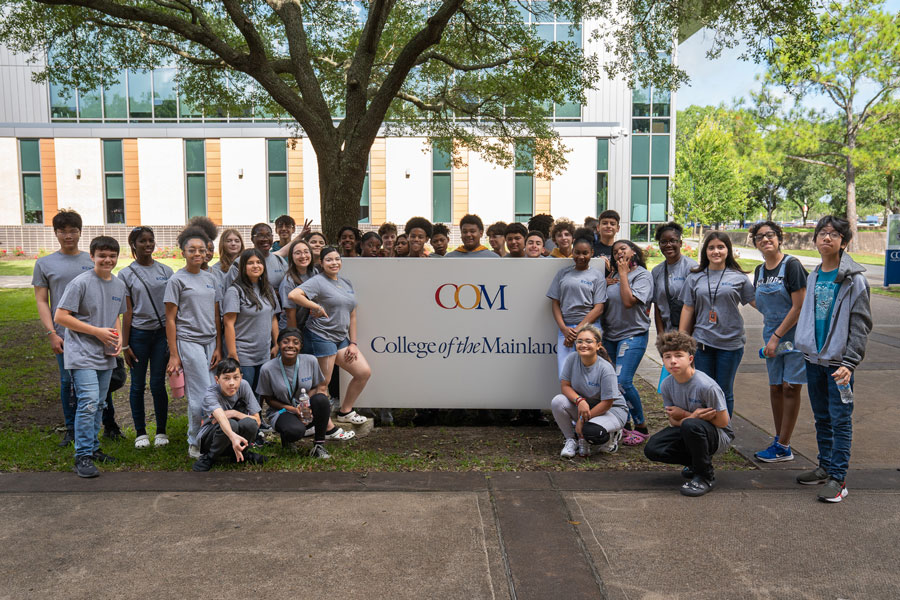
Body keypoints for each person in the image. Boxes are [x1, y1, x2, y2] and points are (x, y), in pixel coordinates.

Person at [794, 216, 872, 503]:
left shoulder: (855, 279)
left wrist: (850, 363)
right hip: (814, 360)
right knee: (821, 418)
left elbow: (861, 324)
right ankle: (825, 466)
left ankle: (838, 478)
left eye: (834, 234)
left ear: (844, 242)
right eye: (822, 233)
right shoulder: (813, 274)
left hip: (840, 365)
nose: (827, 238)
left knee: (840, 420)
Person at [33, 209, 121, 446]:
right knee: (68, 383)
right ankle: (72, 429)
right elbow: (42, 301)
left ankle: (108, 425)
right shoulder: (45, 263)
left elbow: (112, 299)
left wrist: (116, 335)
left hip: (101, 335)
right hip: (65, 334)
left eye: (73, 230)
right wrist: (51, 332)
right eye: (63, 231)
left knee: (102, 385)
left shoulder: (94, 258)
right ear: (56, 233)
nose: (68, 235)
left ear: (80, 232)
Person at [54, 236, 128, 478]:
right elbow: (61, 317)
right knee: (87, 401)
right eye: (102, 255)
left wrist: (117, 341)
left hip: (104, 355)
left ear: (117, 257)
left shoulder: (118, 285)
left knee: (99, 403)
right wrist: (96, 331)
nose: (107, 260)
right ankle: (82, 456)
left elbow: (116, 316)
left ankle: (93, 448)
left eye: (112, 256)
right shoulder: (80, 283)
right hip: (81, 353)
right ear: (92, 256)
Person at [288, 247, 371, 427]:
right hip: (321, 336)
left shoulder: (345, 282)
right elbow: (294, 295)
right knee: (322, 385)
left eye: (337, 259)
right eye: (329, 260)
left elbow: (353, 314)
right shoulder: (317, 281)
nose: (334, 263)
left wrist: (353, 343)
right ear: (321, 263)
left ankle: (345, 411)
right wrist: (315, 307)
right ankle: (325, 426)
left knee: (363, 372)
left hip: (341, 339)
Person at [644, 331, 734, 497]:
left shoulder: (706, 386)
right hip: (691, 428)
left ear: (690, 359)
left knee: (691, 425)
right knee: (653, 448)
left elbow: (723, 422)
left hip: (718, 436)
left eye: (679, 356)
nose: (673, 361)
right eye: (667, 356)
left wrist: (685, 416)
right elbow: (673, 421)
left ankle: (705, 476)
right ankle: (696, 462)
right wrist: (692, 416)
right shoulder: (667, 385)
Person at [678, 232, 755, 416]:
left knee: (724, 390)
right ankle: (708, 431)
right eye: (711, 247)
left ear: (728, 250)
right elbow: (688, 309)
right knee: (705, 389)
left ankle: (724, 431)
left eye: (721, 247)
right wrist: (681, 339)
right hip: (703, 342)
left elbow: (756, 302)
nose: (716, 251)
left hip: (731, 343)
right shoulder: (695, 277)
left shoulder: (739, 277)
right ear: (706, 251)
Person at [749, 221, 808, 463]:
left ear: (779, 238)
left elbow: (799, 306)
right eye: (760, 237)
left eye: (770, 235)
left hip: (793, 337)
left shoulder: (792, 265)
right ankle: (778, 440)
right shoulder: (759, 271)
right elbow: (761, 304)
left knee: (790, 386)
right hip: (771, 335)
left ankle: (784, 444)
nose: (765, 240)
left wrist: (776, 337)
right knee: (775, 387)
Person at [165, 226, 223, 459]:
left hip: (210, 342)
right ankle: (195, 441)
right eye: (192, 250)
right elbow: (170, 319)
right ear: (183, 252)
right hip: (189, 342)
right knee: (200, 396)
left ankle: (210, 436)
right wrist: (174, 354)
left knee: (214, 392)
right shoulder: (177, 280)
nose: (197, 253)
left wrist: (218, 346)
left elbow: (216, 314)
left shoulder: (211, 278)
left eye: (202, 250)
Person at [120, 226, 174, 449]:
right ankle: (140, 432)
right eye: (142, 241)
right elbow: (127, 312)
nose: (148, 244)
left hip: (162, 334)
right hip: (138, 336)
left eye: (151, 240)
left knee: (158, 384)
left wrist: (173, 340)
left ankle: (161, 431)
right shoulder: (125, 274)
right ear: (133, 244)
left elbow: (173, 310)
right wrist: (125, 345)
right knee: (137, 385)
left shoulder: (166, 271)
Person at [602, 240, 654, 445]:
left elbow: (628, 301)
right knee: (612, 383)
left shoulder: (642, 275)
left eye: (623, 248)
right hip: (610, 337)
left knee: (623, 381)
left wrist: (623, 275)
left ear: (634, 251)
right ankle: (624, 424)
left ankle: (641, 427)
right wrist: (606, 281)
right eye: (615, 251)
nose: (619, 253)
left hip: (633, 334)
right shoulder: (612, 276)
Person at [550, 325, 626, 458]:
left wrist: (582, 420)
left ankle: (613, 434)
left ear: (598, 345)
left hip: (611, 410)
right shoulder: (572, 359)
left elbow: (607, 403)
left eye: (588, 341)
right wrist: (579, 401)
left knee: (592, 431)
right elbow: (565, 386)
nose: (583, 345)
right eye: (579, 341)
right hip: (586, 407)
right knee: (558, 401)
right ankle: (571, 440)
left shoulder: (606, 369)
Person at [256, 328, 333, 458]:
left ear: (301, 346)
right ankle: (288, 440)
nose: (290, 345)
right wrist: (293, 409)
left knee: (322, 400)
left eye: (295, 342)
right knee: (295, 431)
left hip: (305, 408)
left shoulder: (311, 361)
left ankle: (319, 445)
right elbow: (268, 399)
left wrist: (305, 405)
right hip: (281, 411)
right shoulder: (267, 368)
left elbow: (316, 387)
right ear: (279, 344)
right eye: (285, 342)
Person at [191, 358, 267, 471]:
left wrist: (234, 413)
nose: (232, 383)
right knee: (230, 424)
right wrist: (233, 437)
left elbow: (257, 420)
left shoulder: (244, 386)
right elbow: (222, 419)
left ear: (241, 377)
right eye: (226, 378)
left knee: (250, 423)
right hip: (211, 439)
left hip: (235, 439)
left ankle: (241, 454)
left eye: (236, 377)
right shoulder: (210, 394)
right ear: (217, 379)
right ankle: (210, 457)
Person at [547, 236, 607, 377]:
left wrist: (577, 331)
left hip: (590, 329)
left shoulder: (597, 276)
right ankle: (570, 399)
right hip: (566, 330)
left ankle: (587, 400)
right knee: (564, 373)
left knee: (589, 373)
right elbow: (555, 303)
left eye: (585, 253)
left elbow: (599, 308)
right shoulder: (563, 273)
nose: (581, 256)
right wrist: (564, 329)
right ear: (572, 252)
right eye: (577, 252)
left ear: (591, 253)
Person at [223, 249, 279, 392]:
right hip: (243, 354)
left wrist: (277, 344)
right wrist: (232, 354)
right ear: (243, 267)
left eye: (259, 262)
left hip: (264, 353)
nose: (255, 266)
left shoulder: (268, 289)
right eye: (250, 263)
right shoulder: (235, 291)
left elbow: (273, 318)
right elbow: (228, 323)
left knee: (259, 393)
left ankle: (257, 416)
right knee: (244, 395)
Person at [651, 222, 698, 334]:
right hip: (667, 333)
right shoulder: (656, 271)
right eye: (663, 242)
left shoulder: (692, 267)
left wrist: (686, 336)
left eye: (672, 241)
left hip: (690, 333)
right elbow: (657, 307)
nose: (668, 245)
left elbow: (697, 304)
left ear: (680, 243)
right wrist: (661, 335)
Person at [227, 223, 288, 291]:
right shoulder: (239, 263)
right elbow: (232, 291)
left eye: (268, 235)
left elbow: (287, 288)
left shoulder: (280, 261)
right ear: (252, 239)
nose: (265, 239)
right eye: (260, 235)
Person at [280, 239, 317, 330]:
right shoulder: (288, 281)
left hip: (308, 326)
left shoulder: (313, 272)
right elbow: (290, 316)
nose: (303, 256)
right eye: (298, 253)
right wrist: (295, 338)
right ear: (291, 256)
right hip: (291, 328)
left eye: (306, 252)